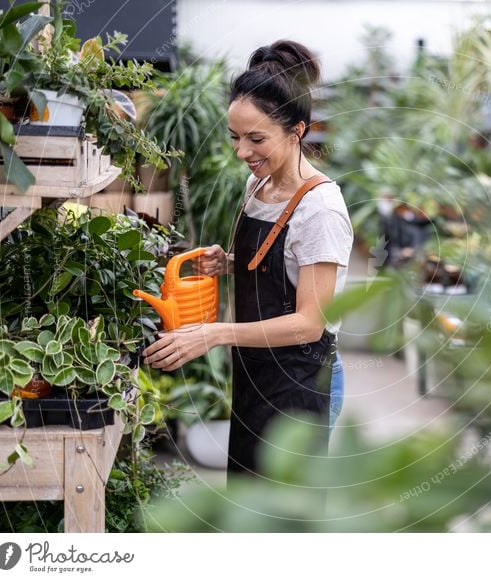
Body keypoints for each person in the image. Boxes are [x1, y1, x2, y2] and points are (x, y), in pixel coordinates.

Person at [143, 40, 353, 475]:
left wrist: (213, 334)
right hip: (255, 372)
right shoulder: (257, 187)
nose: (242, 153)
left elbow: (308, 322)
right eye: (235, 138)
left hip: (301, 380)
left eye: (256, 139)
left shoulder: (320, 209)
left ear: (297, 131)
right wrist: (232, 263)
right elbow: (283, 266)